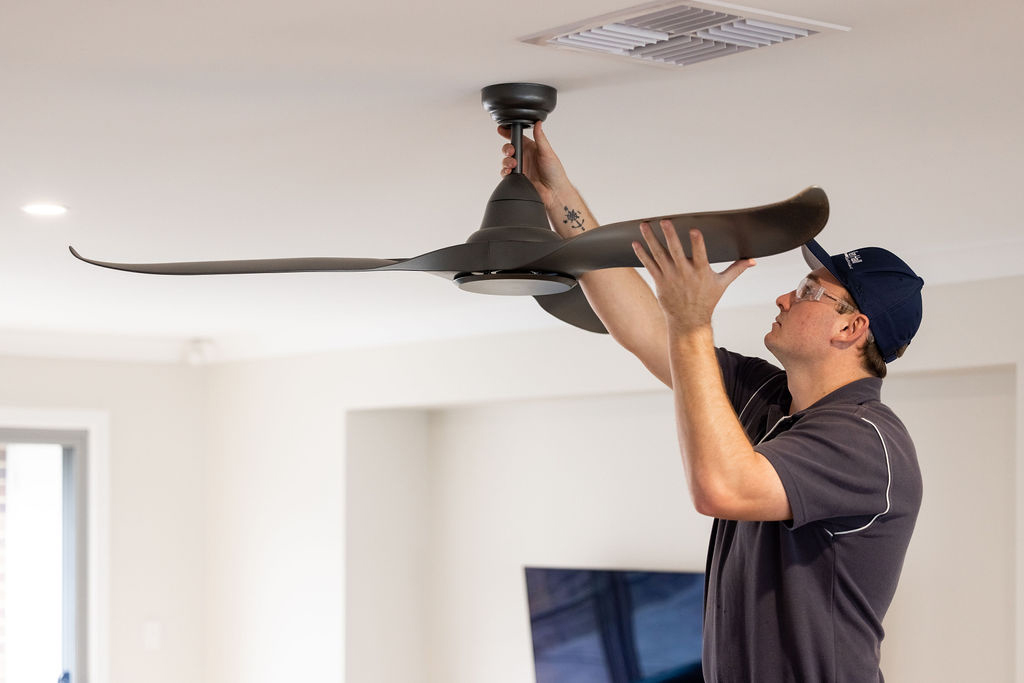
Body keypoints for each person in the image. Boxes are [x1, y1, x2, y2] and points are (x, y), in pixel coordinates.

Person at [500, 122, 924, 682]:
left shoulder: (866, 441)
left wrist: (692, 321)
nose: (784, 296)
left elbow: (722, 488)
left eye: (808, 292)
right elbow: (651, 334)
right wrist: (560, 199)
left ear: (851, 328)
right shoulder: (768, 400)